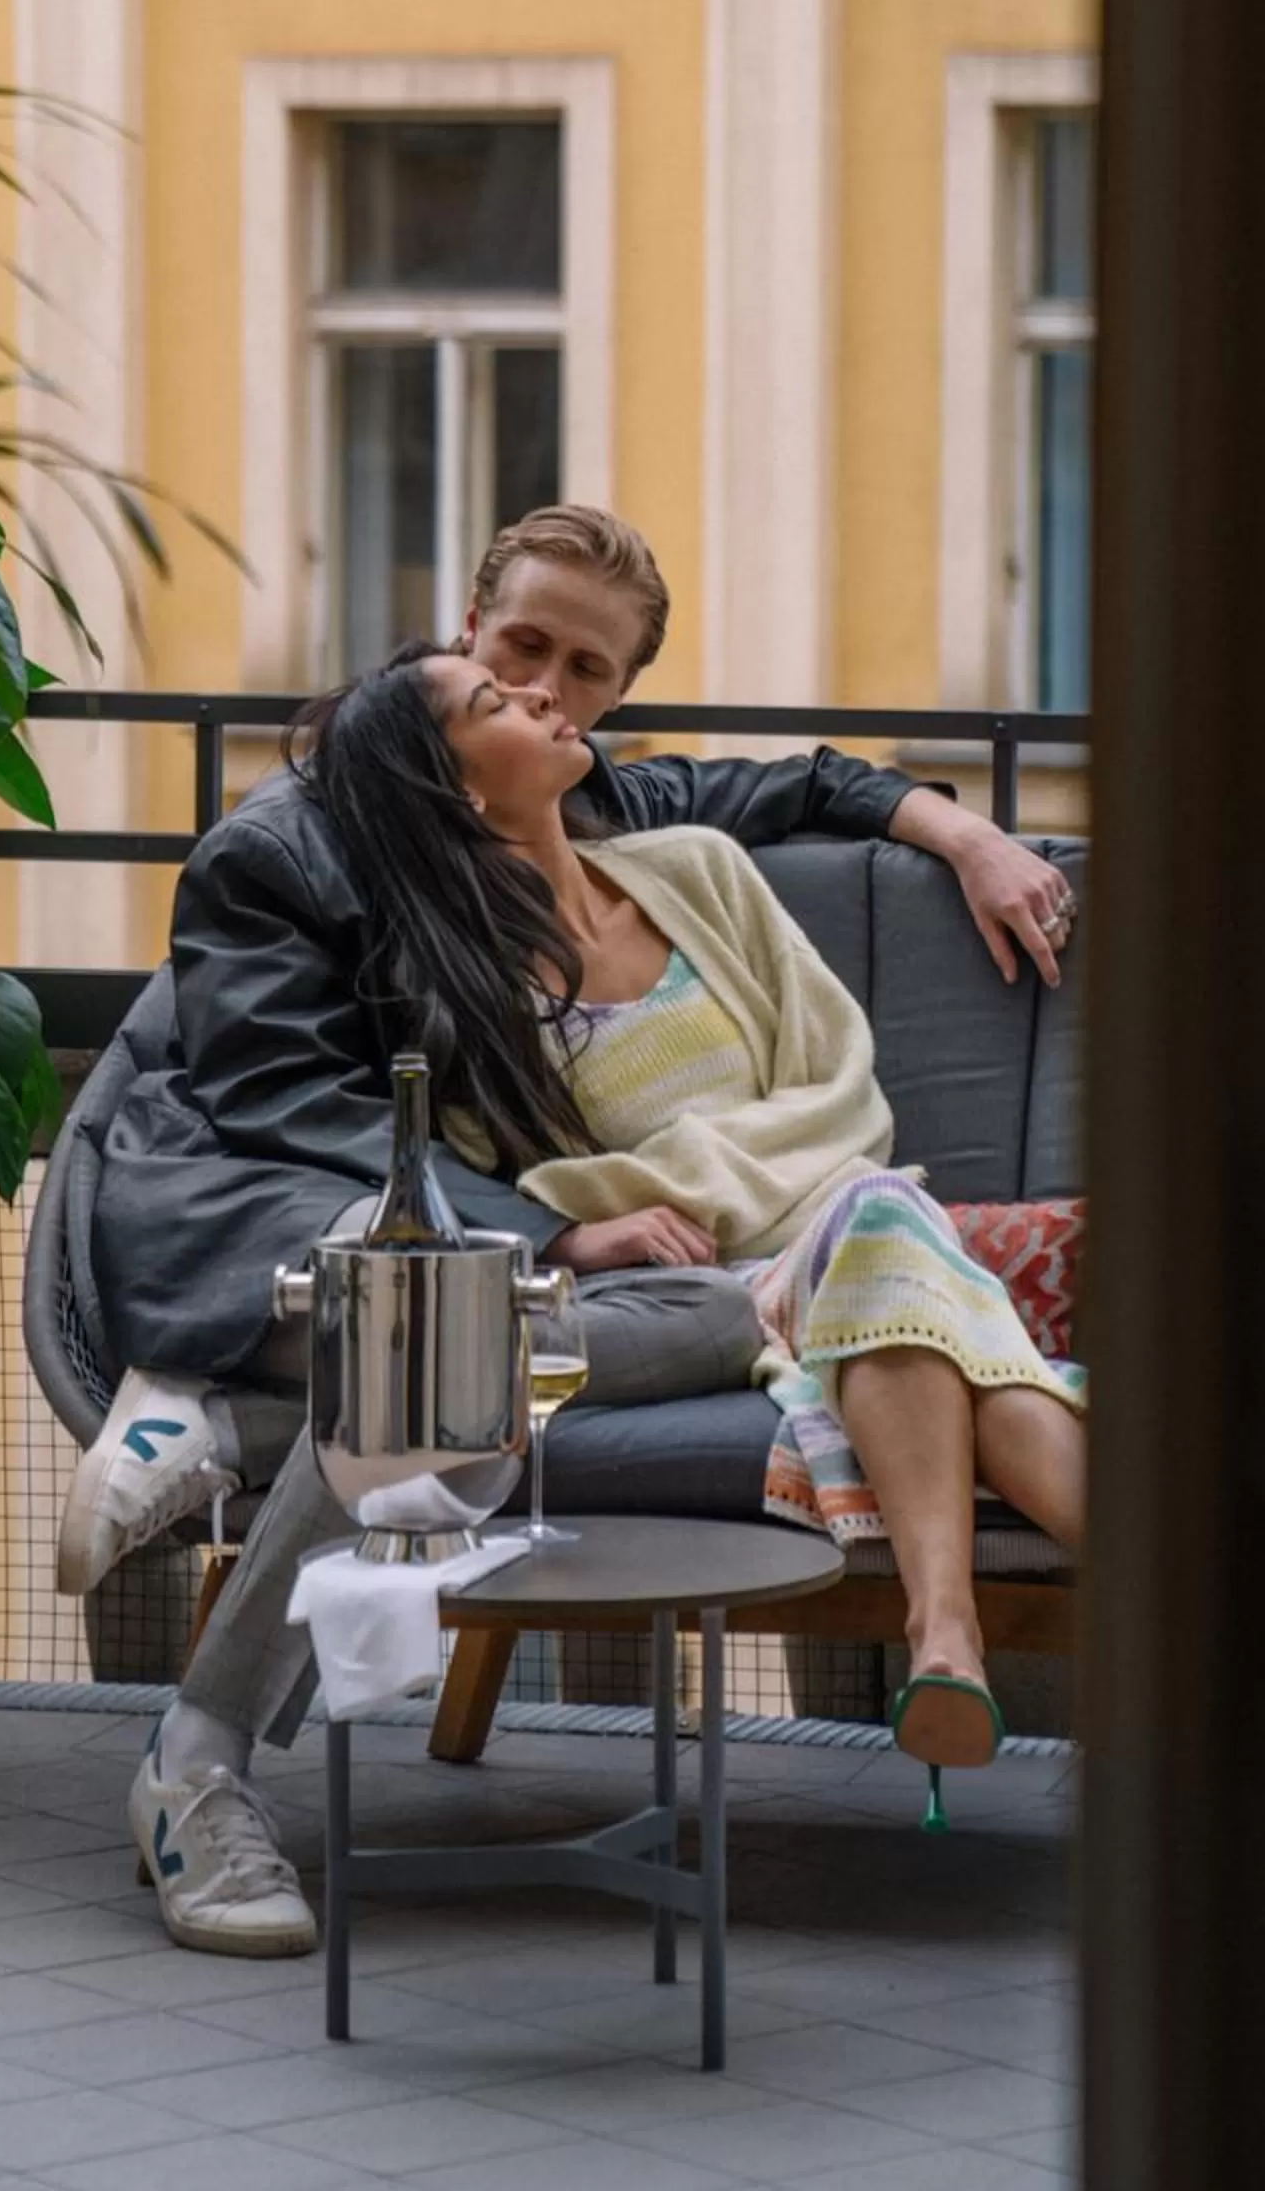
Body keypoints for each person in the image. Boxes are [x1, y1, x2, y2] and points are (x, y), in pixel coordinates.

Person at [71, 506, 1079, 1953]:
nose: (547, 691)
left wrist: (966, 833)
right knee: (435, 1353)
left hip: (487, 1244)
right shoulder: (290, 845)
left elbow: (790, 784)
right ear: (465, 635)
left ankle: (239, 1428)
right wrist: (546, 1237)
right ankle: (197, 1765)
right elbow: (285, 1102)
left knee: (708, 1310)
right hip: (262, 1206)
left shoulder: (583, 796)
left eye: (583, 673)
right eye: (517, 657)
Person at [302, 647, 1087, 1831]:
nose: (541, 692)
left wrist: (711, 1185)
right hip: (707, 1289)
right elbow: (507, 1184)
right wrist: (584, 1232)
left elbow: (840, 1086)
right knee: (935, 1302)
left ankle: (945, 1634)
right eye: (494, 700)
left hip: (847, 1220)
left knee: (877, 1222)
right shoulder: (454, 997)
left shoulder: (700, 873)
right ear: (456, 787)